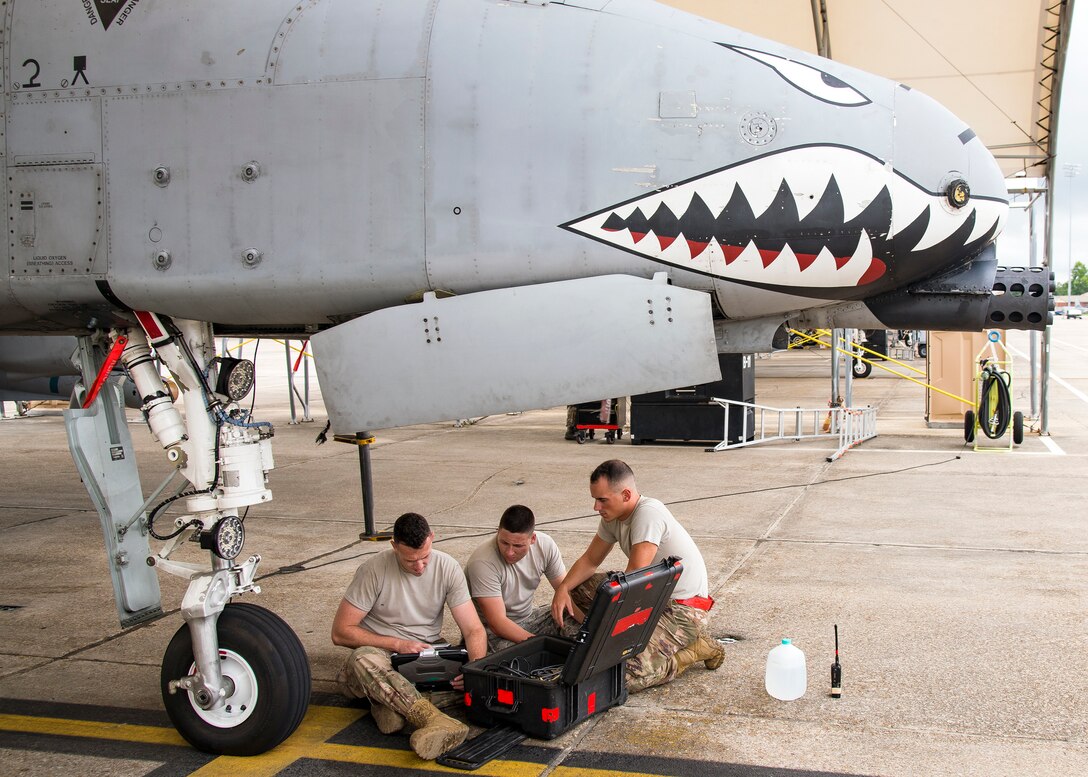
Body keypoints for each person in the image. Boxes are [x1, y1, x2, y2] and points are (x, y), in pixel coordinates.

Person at [551, 459, 724, 692]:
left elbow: (635, 581)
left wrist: (611, 636)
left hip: (683, 609)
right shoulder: (613, 517)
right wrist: (562, 588)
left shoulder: (648, 513)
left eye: (602, 500)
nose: (596, 507)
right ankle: (602, 640)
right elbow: (590, 560)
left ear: (625, 494)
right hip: (653, 595)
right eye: (595, 499)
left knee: (621, 678)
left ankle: (692, 651)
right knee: (577, 586)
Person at [332, 512, 487, 761]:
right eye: (410, 560)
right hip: (381, 652)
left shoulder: (447, 566)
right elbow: (340, 632)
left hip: (424, 651)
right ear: (394, 546)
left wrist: (474, 673)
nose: (419, 566)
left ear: (432, 539)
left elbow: (473, 630)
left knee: (478, 678)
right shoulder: (372, 570)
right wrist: (396, 644)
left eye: (425, 557)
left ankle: (388, 705)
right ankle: (431, 718)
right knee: (362, 661)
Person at [464, 504, 574, 651]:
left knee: (577, 623)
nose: (509, 552)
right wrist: (542, 645)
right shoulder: (483, 562)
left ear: (533, 539)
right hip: (492, 633)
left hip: (530, 617)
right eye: (504, 542)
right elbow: (497, 624)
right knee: (518, 659)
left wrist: (588, 622)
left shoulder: (545, 545)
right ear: (497, 533)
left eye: (517, 546)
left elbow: (566, 591)